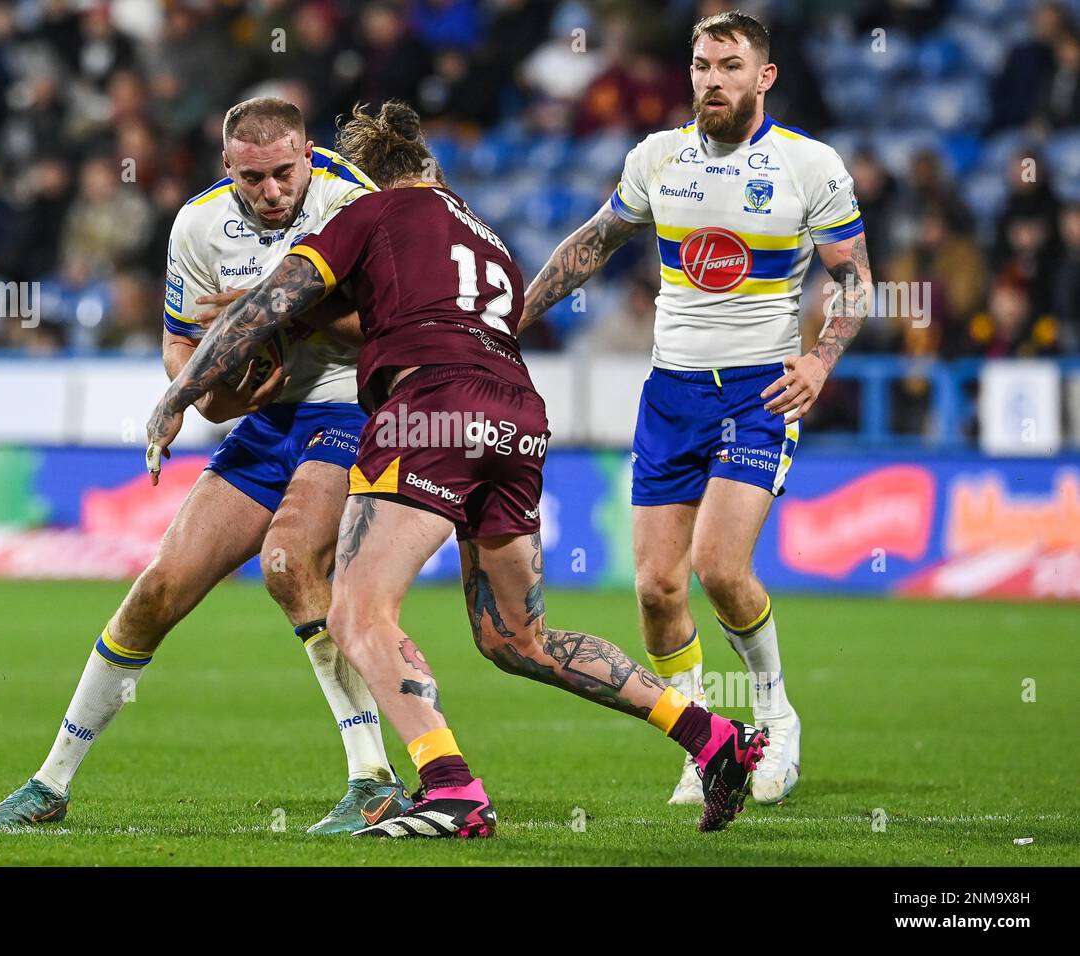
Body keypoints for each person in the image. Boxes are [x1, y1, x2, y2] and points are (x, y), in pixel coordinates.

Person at [145, 101, 767, 837]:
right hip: (518, 415)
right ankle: (708, 735)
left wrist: (177, 396)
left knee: (355, 611)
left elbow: (267, 305)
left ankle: (452, 789)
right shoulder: (492, 242)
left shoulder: (367, 215)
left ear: (369, 182)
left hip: (427, 411)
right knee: (519, 639)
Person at [0, 97, 413, 835]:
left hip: (349, 408)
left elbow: (394, 325)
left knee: (287, 562)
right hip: (267, 419)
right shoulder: (196, 224)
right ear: (227, 168)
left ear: (308, 155)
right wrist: (197, 394)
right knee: (155, 592)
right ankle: (50, 783)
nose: (272, 192)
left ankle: (373, 777)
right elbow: (180, 341)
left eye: (284, 174)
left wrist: (274, 309)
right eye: (254, 179)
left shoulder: (354, 204)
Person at [519, 11, 875, 806]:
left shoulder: (807, 166)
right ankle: (708, 741)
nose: (711, 79)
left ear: (763, 77)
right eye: (701, 64)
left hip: (758, 392)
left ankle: (777, 719)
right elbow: (593, 242)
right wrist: (513, 321)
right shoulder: (656, 158)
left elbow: (855, 281)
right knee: (655, 589)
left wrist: (821, 359)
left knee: (719, 567)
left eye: (729, 65)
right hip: (670, 392)